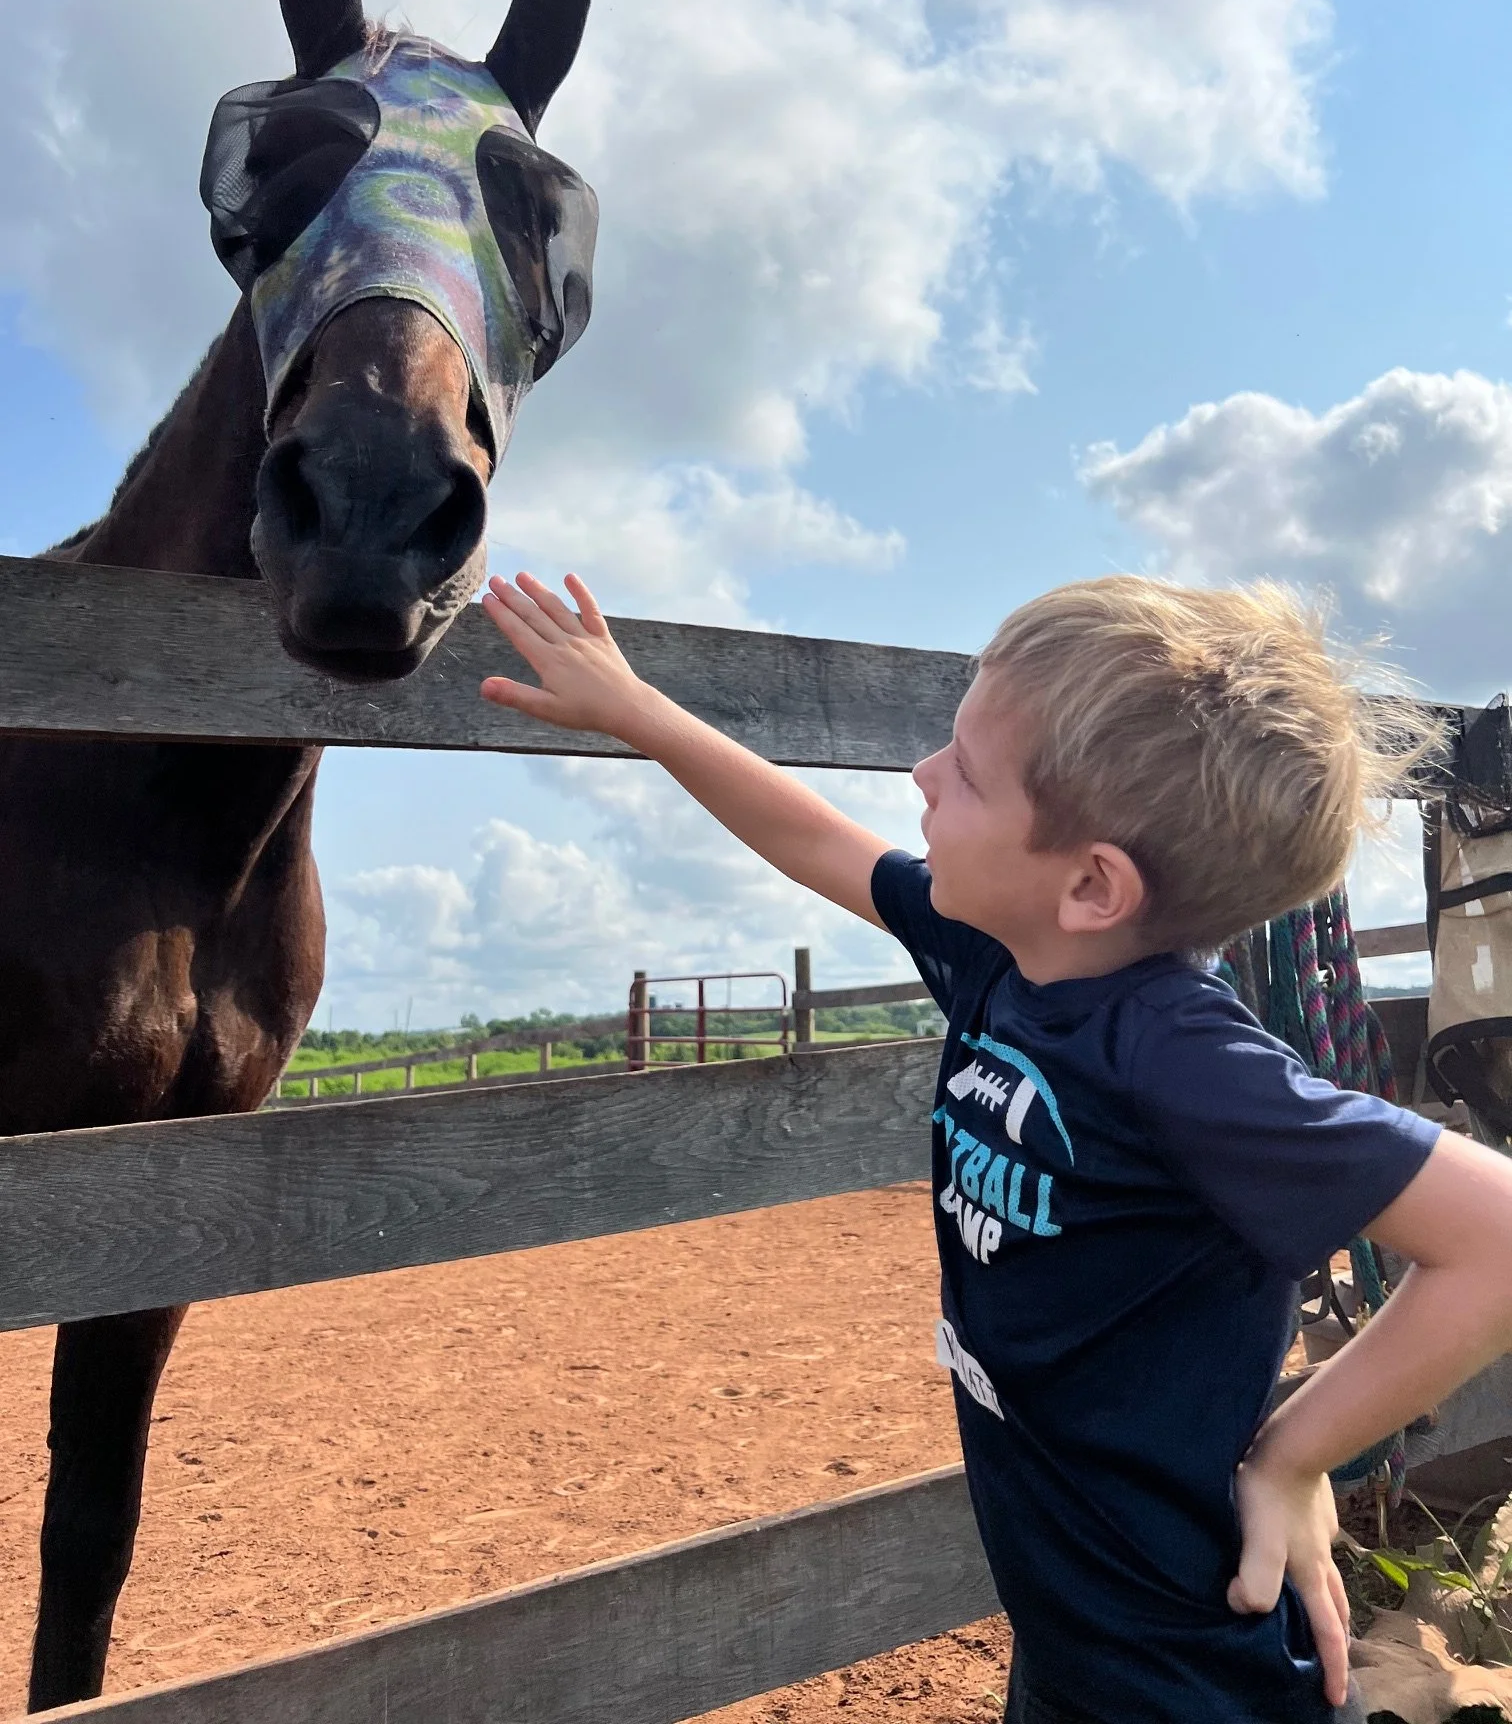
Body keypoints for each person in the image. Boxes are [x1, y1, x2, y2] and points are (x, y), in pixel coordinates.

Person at [478, 568, 1512, 1724]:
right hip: (1071, 1639)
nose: (922, 775)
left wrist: (1294, 1455)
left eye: (966, 771)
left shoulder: (1178, 1057)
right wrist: (637, 711)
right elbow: (813, 838)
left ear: (1091, 885)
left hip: (1184, 1673)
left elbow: (1499, 1237)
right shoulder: (1001, 958)